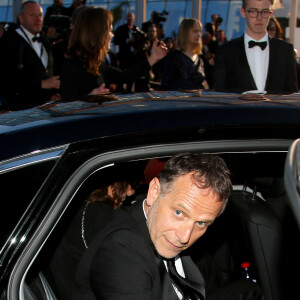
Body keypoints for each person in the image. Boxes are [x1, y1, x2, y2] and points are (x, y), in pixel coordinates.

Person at [72, 153, 232, 300]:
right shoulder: (121, 250)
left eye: (201, 223)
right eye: (178, 212)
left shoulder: (158, 231)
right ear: (154, 192)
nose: (185, 237)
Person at [48, 179, 135, 300]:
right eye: (125, 184)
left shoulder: (72, 211)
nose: (129, 191)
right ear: (111, 186)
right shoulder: (107, 217)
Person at [60, 7, 167, 99]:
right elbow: (66, 111)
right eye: (109, 31)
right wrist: (87, 100)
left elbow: (125, 76)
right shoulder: (72, 67)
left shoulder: (99, 64)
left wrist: (153, 58)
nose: (112, 35)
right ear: (97, 34)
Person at [213, 0, 298, 94]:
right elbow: (219, 96)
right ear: (243, 12)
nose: (259, 17)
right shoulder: (226, 51)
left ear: (271, 13)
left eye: (265, 12)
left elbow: (291, 96)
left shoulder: (285, 51)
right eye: (253, 11)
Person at [0, 1, 60, 110]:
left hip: (46, 108)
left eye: (40, 15)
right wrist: (41, 84)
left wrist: (53, 93)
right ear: (21, 18)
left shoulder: (44, 41)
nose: (38, 19)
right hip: (21, 112)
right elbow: (7, 80)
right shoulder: (9, 42)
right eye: (32, 15)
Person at [162, 18, 212, 91]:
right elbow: (166, 85)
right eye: (195, 31)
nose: (198, 35)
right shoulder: (174, 57)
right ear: (185, 33)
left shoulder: (200, 60)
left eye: (200, 31)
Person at [113, 12, 144, 92]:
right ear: (126, 18)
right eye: (128, 16)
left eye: (131, 16)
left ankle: (129, 89)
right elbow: (116, 41)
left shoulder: (136, 29)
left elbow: (141, 40)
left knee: (132, 73)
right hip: (123, 55)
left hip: (133, 56)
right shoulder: (121, 29)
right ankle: (120, 88)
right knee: (121, 72)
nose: (130, 18)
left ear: (134, 19)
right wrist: (126, 40)